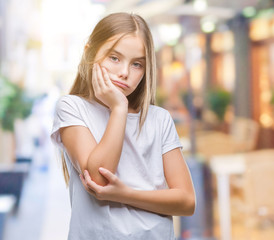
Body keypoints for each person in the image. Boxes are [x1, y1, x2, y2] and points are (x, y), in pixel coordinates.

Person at [50, 12, 195, 239]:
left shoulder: (159, 119)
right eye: (114, 58)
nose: (124, 72)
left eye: (137, 64)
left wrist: (125, 194)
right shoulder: (72, 108)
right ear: (90, 51)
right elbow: (98, 179)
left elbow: (187, 201)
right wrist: (118, 108)